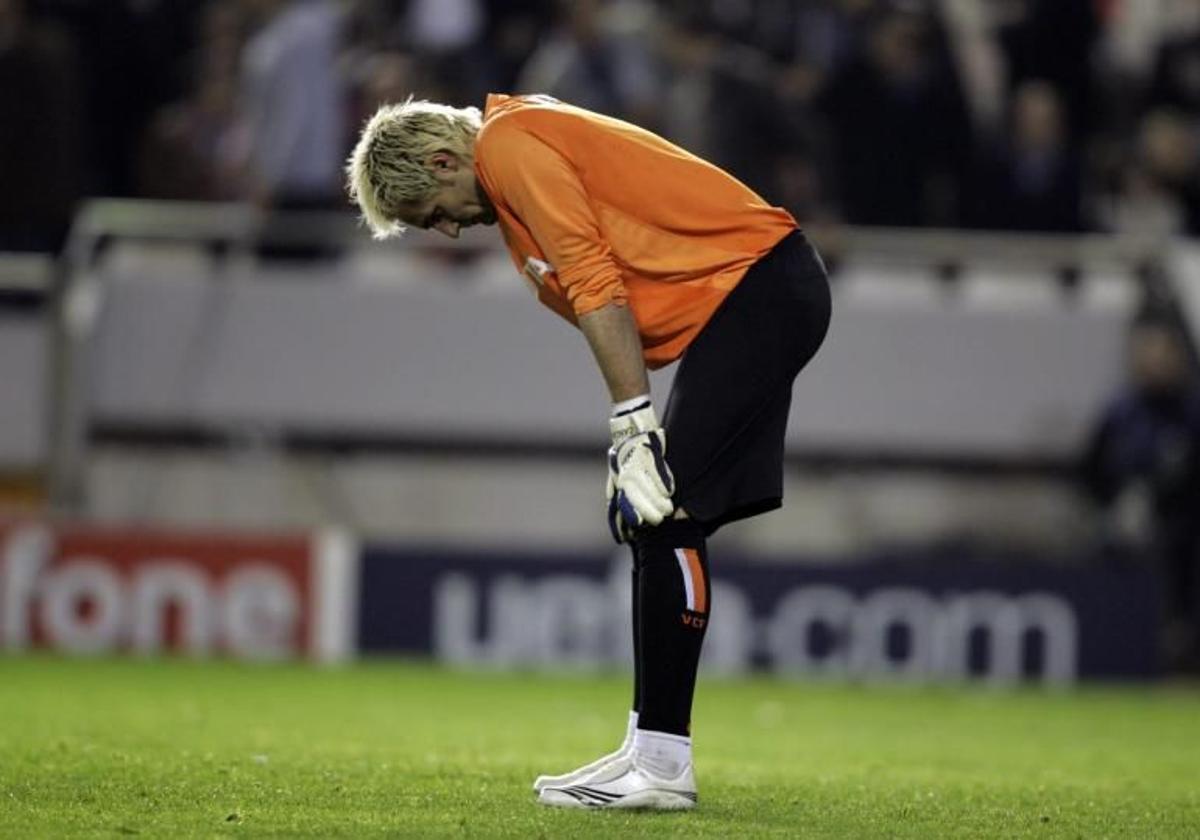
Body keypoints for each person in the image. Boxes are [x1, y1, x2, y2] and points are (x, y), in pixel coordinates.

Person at [345, 92, 831, 810]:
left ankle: (663, 763)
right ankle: (648, 746)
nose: (446, 232)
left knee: (668, 514)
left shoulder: (510, 148)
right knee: (654, 516)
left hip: (757, 291)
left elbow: (596, 280)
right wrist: (634, 431)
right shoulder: (516, 160)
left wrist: (633, 424)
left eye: (435, 211)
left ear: (443, 160)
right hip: (750, 294)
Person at [1082, 309, 1200, 673]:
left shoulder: (1191, 414)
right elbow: (1091, 469)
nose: (1156, 361)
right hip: (1127, 541)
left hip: (1184, 537)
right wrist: (1113, 506)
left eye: (1164, 352)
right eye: (1149, 352)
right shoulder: (1121, 412)